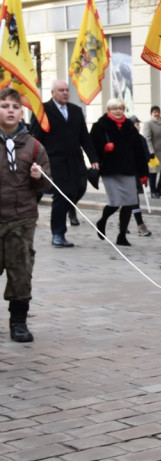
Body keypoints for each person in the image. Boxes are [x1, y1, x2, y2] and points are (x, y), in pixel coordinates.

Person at [0, 87, 50, 342]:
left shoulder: (33, 146)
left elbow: (48, 184)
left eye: (15, 107)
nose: (10, 111)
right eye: (4, 106)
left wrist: (39, 177)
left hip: (21, 218)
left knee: (21, 272)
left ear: (21, 112)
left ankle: (18, 322)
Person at [30, 80, 98, 247]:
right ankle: (58, 234)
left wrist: (94, 158)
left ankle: (65, 209)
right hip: (54, 161)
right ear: (53, 92)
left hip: (76, 160)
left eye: (67, 90)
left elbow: (84, 137)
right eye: (61, 90)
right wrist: (36, 160)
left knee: (79, 188)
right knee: (62, 195)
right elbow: (35, 138)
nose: (65, 93)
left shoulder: (76, 111)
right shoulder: (43, 111)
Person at [89, 98, 149, 247]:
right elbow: (92, 147)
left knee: (129, 202)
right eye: (114, 109)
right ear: (109, 110)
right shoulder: (99, 126)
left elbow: (139, 151)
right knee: (115, 203)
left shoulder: (130, 126)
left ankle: (122, 235)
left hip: (128, 169)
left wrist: (143, 173)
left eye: (120, 108)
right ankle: (102, 221)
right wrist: (104, 148)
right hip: (110, 170)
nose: (118, 111)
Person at [129, 117, 152, 237]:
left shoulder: (142, 139)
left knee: (131, 200)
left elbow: (147, 156)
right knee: (132, 199)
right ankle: (140, 225)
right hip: (127, 173)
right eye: (135, 125)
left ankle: (123, 223)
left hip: (138, 173)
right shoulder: (125, 139)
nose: (138, 127)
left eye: (138, 125)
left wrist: (144, 174)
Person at [142, 105, 161, 198]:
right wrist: (151, 152)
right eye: (154, 112)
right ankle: (153, 191)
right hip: (154, 152)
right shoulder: (148, 124)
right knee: (153, 172)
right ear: (151, 114)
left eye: (158, 112)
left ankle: (159, 189)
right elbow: (147, 139)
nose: (156, 114)